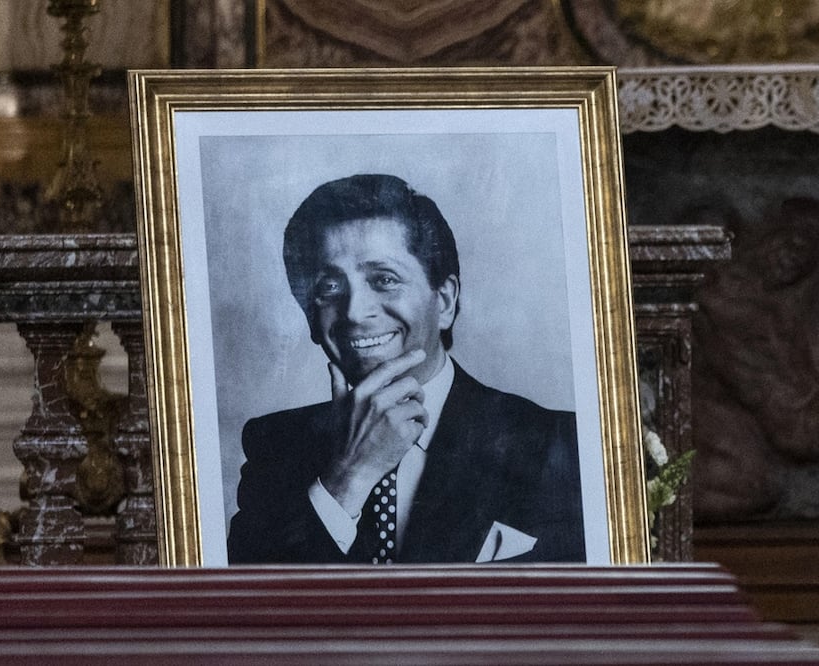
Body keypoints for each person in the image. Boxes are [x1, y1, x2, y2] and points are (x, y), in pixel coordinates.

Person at [227, 174, 584, 564]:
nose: (354, 312)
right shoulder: (274, 446)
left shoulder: (559, 443)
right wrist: (350, 475)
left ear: (445, 301)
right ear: (311, 318)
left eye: (384, 279)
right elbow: (254, 611)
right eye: (328, 288)